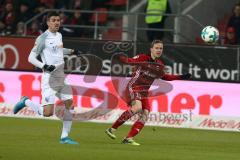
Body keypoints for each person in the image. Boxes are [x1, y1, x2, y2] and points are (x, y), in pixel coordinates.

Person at [13, 11, 82, 145]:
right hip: (49, 78)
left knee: (70, 104)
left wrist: (72, 51)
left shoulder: (59, 35)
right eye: (54, 20)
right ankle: (26, 101)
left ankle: (64, 137)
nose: (57, 22)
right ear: (48, 22)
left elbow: (57, 50)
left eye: (58, 20)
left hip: (61, 76)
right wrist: (44, 66)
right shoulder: (42, 38)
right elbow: (30, 58)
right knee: (47, 113)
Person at [105, 40, 191, 146]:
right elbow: (129, 61)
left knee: (145, 114)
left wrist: (181, 77)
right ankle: (112, 129)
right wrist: (120, 57)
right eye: (157, 48)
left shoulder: (160, 65)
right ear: (151, 49)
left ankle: (128, 138)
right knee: (137, 108)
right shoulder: (142, 58)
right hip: (134, 86)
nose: (159, 50)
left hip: (144, 91)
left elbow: (165, 77)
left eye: (161, 48)